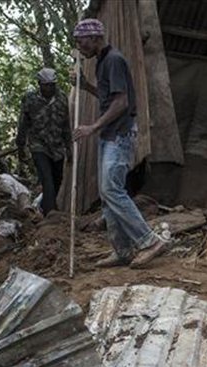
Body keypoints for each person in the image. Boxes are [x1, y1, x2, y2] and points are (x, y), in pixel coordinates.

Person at [72, 18, 168, 268]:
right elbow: (109, 97)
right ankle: (123, 250)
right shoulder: (103, 62)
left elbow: (121, 102)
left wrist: (93, 127)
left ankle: (150, 240)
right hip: (110, 135)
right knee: (107, 193)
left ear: (95, 38)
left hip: (120, 134)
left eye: (81, 42)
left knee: (112, 190)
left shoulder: (113, 60)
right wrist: (86, 87)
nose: (79, 47)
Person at [15, 68, 71, 216]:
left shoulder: (62, 98)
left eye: (52, 84)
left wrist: (69, 147)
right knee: (47, 179)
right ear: (39, 84)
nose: (49, 88)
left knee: (57, 179)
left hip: (57, 147)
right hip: (38, 145)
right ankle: (50, 214)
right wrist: (20, 145)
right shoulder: (30, 99)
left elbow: (66, 125)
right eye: (46, 85)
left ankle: (45, 206)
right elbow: (23, 123)